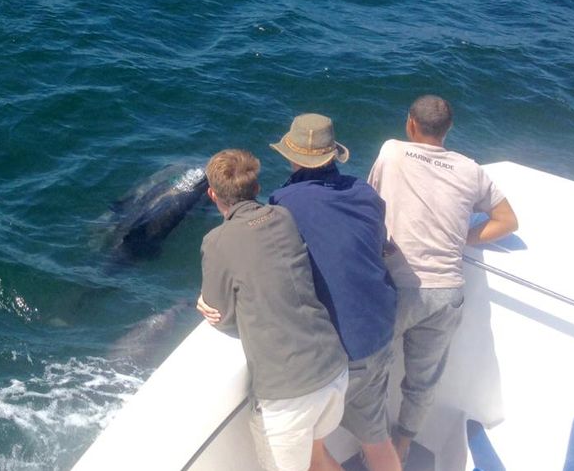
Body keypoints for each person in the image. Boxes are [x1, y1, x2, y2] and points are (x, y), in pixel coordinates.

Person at [368, 95, 519, 462]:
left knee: (370, 371)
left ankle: (376, 448)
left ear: (410, 125)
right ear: (448, 130)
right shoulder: (470, 169)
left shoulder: (391, 152)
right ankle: (402, 446)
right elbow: (507, 221)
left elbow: (370, 208)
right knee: (422, 382)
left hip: (397, 288)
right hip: (447, 293)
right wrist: (463, 238)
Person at [264, 113, 402, 471]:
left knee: (309, 451)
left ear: (293, 158)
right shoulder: (364, 192)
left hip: (339, 350)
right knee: (376, 436)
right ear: (332, 156)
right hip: (380, 331)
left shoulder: (283, 203)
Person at [197, 149, 349, 471]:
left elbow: (221, 317)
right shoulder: (283, 217)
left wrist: (207, 306)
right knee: (318, 459)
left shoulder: (216, 242)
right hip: (333, 370)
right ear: (255, 187)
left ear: (213, 195)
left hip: (289, 395)